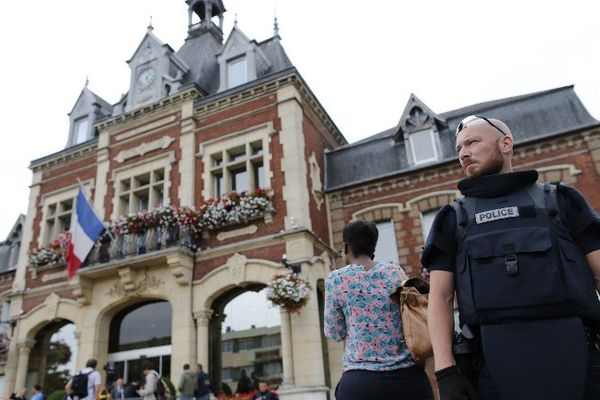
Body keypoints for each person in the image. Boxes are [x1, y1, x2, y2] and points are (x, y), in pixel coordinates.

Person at [424, 115, 600, 400]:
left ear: (506, 144)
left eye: (472, 142)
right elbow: (440, 297)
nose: (463, 153)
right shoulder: (451, 219)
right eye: (458, 149)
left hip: (580, 360)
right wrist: (446, 373)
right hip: (492, 366)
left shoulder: (561, 201)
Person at [324, 220, 434, 400]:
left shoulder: (336, 279)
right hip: (408, 379)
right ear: (373, 246)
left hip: (360, 383)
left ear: (346, 246)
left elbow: (334, 333)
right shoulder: (395, 271)